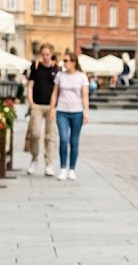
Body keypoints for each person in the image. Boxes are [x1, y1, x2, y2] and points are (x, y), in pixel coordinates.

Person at [48, 52, 89, 181]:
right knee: (64, 139)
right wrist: (52, 109)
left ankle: (72, 169)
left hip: (77, 111)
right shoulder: (60, 76)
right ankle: (63, 168)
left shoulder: (82, 77)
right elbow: (55, 93)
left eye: (66, 61)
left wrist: (86, 112)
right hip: (62, 110)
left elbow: (85, 95)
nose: (64, 63)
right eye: (64, 61)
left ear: (73, 62)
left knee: (74, 141)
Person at [26, 43, 59, 177]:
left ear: (51, 54)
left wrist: (55, 106)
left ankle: (49, 163)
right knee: (35, 133)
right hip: (37, 105)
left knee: (50, 136)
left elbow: (57, 89)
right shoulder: (36, 67)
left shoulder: (56, 68)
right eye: (43, 54)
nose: (45, 57)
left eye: (47, 54)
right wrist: (31, 102)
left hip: (51, 106)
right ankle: (34, 159)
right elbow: (30, 85)